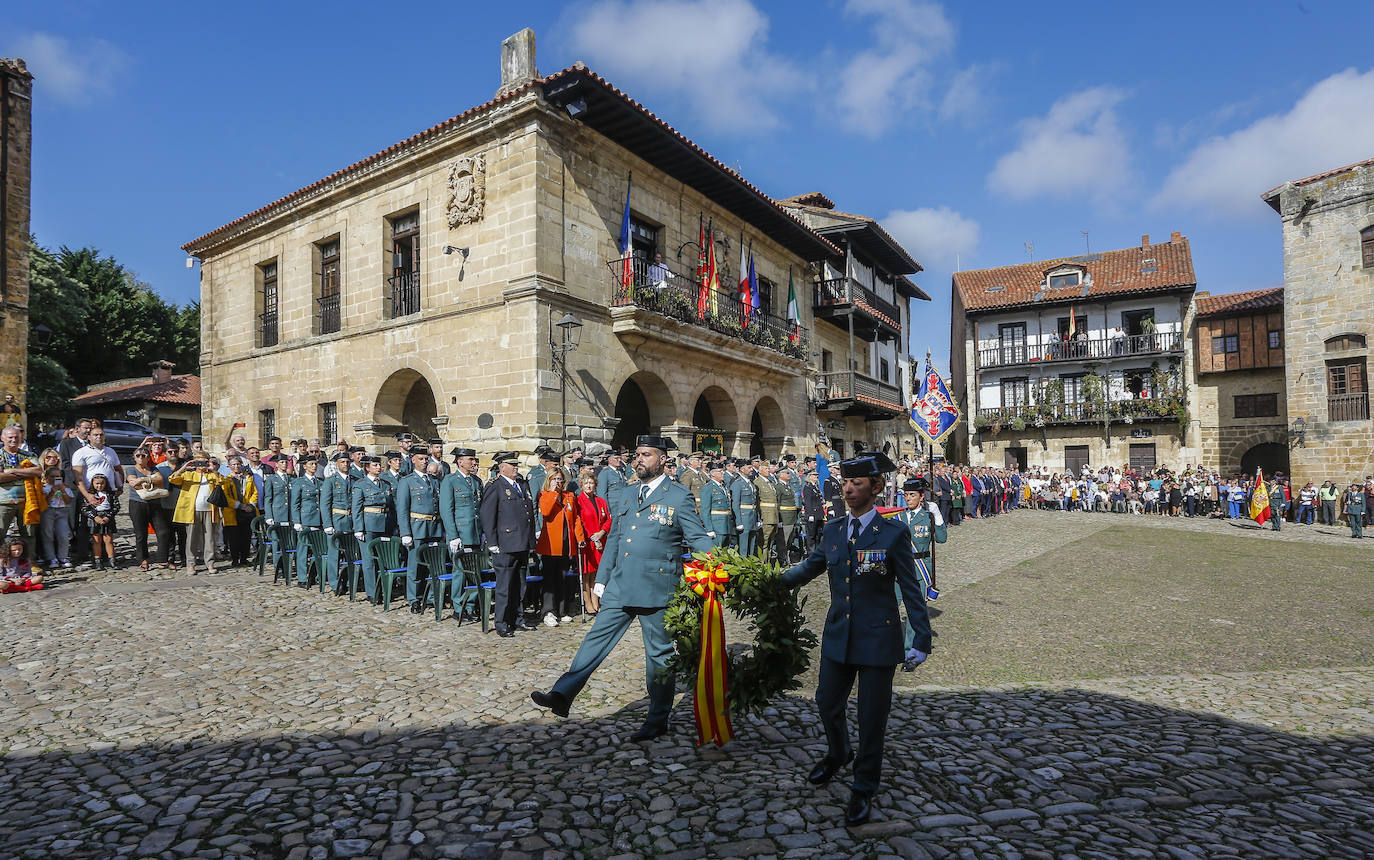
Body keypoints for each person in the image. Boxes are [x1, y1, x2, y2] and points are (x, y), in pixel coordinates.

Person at [780, 452, 930, 826]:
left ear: (876, 488)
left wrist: (921, 640)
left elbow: (911, 590)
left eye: (857, 483)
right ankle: (838, 753)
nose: (847, 489)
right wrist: (763, 581)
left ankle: (863, 788)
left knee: (871, 718)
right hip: (839, 635)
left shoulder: (893, 534)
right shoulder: (832, 531)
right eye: (845, 482)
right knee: (826, 702)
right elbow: (807, 569)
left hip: (879, 640)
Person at [530, 435, 713, 741]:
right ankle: (562, 694)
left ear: (662, 459)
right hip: (620, 584)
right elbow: (614, 538)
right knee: (594, 640)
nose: (639, 459)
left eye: (646, 454)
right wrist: (602, 578)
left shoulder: (678, 496)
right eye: (637, 454)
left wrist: (717, 565)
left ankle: (657, 718)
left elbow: (697, 539)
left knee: (659, 657)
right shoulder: (627, 494)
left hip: (657, 588)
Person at [481, 451, 537, 637]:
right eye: (512, 465)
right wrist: (492, 541)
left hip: (521, 542)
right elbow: (488, 516)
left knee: (520, 585)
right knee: (504, 586)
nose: (516, 467)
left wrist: (531, 538)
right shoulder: (495, 486)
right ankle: (502, 622)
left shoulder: (521, 484)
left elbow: (529, 512)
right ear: (501, 467)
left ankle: (518, 618)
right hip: (505, 543)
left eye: (516, 464)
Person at [535, 469, 585, 626]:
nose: (558, 482)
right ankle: (548, 611)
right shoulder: (544, 495)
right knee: (550, 579)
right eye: (555, 479)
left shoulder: (569, 496)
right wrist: (552, 492)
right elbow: (546, 511)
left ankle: (562, 610)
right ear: (549, 480)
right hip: (550, 544)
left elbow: (575, 518)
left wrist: (580, 538)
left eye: (560, 479)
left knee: (562, 578)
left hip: (566, 543)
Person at [396, 449, 444, 613]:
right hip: (417, 528)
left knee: (433, 565)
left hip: (435, 527)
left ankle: (431, 596)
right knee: (415, 566)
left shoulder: (434, 480)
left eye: (426, 459)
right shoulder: (407, 481)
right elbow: (402, 509)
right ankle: (414, 598)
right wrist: (405, 532)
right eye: (421, 459)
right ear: (413, 460)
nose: (425, 461)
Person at [895, 476, 945, 608]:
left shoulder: (928, 517)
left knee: (916, 610)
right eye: (906, 495)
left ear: (922, 496)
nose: (908, 498)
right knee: (890, 608)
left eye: (912, 495)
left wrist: (938, 516)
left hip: (920, 569)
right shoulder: (898, 517)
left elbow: (941, 539)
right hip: (899, 568)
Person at [349, 456, 392, 603]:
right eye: (375, 465)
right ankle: (372, 592)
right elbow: (356, 508)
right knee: (369, 560)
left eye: (379, 465)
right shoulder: (361, 485)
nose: (378, 468)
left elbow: (390, 507)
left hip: (385, 524)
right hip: (368, 525)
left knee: (384, 558)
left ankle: (385, 589)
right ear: (367, 467)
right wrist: (358, 528)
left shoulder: (386, 484)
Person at [125, 447, 172, 571]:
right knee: (141, 534)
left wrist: (143, 479)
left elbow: (160, 479)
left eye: (144, 455)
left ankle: (162, 558)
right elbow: (132, 482)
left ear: (148, 457)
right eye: (138, 455)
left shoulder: (153, 469)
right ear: (134, 458)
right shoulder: (131, 469)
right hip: (137, 503)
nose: (141, 457)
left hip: (155, 503)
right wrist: (150, 479)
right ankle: (142, 559)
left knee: (163, 531)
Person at [575, 473, 611, 614]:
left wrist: (602, 532)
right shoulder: (579, 501)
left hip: (601, 540)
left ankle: (596, 600)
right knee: (586, 573)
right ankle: (587, 602)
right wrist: (593, 537)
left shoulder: (601, 501)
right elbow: (581, 522)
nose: (589, 486)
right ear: (582, 485)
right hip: (588, 542)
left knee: (597, 573)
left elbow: (608, 519)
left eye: (591, 483)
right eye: (586, 483)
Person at [321, 451, 356, 592]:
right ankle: (335, 583)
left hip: (352, 520)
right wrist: (328, 524)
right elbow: (325, 504)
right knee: (334, 553)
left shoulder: (355, 480)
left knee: (351, 553)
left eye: (348, 462)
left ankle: (349, 581)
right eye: (343, 462)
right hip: (337, 520)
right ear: (337, 464)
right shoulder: (331, 481)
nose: (346, 464)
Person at [0, 425, 42, 541]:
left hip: (27, 501)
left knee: (28, 535)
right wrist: (27, 472)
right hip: (4, 502)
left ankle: (29, 559)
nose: (14, 440)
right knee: (1, 533)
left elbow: (38, 471)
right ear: (2, 438)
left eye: (16, 437)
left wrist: (13, 471)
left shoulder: (29, 455)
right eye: (10, 437)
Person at [289, 455, 325, 584]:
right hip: (305, 519)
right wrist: (297, 521)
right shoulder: (299, 482)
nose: (314, 466)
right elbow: (295, 504)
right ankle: (302, 578)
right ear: (305, 466)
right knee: (303, 549)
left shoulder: (320, 482)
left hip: (318, 519)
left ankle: (317, 575)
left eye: (316, 464)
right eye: (311, 464)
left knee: (318, 549)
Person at [222, 456, 258, 568]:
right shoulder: (226, 480)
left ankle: (244, 558)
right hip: (233, 511)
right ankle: (235, 559)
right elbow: (226, 497)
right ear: (229, 466)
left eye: (238, 464)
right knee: (234, 537)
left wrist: (250, 505)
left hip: (247, 510)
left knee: (246, 536)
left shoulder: (248, 478)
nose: (236, 466)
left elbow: (254, 492)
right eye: (233, 464)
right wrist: (239, 505)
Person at [81, 473, 120, 569]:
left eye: (102, 483)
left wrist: (108, 516)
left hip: (107, 518)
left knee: (108, 540)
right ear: (93, 484)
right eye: (97, 483)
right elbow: (85, 509)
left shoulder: (111, 494)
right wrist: (94, 517)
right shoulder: (90, 495)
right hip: (95, 518)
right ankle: (97, 560)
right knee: (96, 540)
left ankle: (112, 560)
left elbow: (116, 506)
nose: (99, 486)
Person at [39, 465, 74, 570]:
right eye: (52, 476)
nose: (55, 479)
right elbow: (44, 502)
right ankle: (51, 557)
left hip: (62, 511)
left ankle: (63, 556)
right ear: (47, 477)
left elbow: (68, 501)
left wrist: (62, 490)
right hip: (48, 511)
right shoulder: (44, 488)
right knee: (47, 534)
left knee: (63, 535)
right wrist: (52, 492)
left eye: (58, 477)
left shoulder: (65, 487)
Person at [700, 462, 735, 548]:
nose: (723, 473)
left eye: (723, 471)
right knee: (717, 553)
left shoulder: (724, 487)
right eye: (720, 471)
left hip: (727, 524)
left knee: (726, 553)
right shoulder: (708, 488)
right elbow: (705, 510)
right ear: (712, 474)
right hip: (717, 526)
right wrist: (709, 529)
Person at [731, 458, 760, 556]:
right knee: (743, 546)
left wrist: (757, 519)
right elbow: (735, 504)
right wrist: (738, 522)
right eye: (749, 467)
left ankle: (751, 564)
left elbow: (754, 503)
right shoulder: (737, 483)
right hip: (744, 517)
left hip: (752, 517)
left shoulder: (750, 483)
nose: (751, 469)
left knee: (752, 543)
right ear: (742, 469)